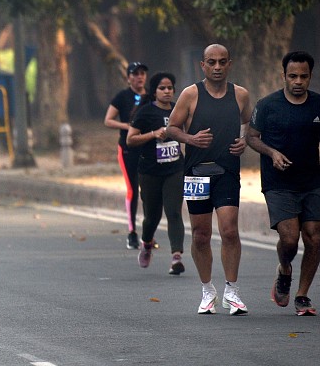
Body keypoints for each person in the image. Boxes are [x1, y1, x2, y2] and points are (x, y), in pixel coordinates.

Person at [247, 51, 320, 316]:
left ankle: (302, 295)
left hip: (311, 180)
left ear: (310, 76)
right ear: (283, 76)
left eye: (303, 76)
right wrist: (272, 153)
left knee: (313, 236)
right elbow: (251, 137)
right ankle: (284, 270)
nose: (298, 81)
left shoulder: (319, 104)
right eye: (293, 76)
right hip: (278, 182)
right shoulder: (267, 105)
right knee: (289, 239)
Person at [166, 44, 252, 315]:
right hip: (196, 172)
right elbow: (171, 128)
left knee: (229, 230)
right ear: (202, 65)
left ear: (229, 64)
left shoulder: (240, 95)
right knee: (201, 235)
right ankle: (207, 290)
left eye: (222, 62)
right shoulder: (191, 94)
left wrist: (244, 141)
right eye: (211, 62)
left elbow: (250, 125)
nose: (217, 67)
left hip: (227, 171)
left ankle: (232, 290)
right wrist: (190, 139)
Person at [126, 72, 185, 275]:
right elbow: (130, 139)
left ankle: (176, 257)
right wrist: (153, 134)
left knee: (174, 212)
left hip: (175, 169)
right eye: (162, 88)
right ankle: (147, 243)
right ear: (154, 91)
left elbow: (188, 132)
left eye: (170, 88)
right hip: (150, 171)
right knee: (152, 216)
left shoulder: (179, 110)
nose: (167, 91)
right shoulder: (145, 112)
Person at [104, 62, 149, 249]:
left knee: (149, 191)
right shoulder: (122, 97)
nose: (139, 77)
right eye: (135, 74)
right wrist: (128, 127)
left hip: (147, 148)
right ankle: (132, 232)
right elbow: (108, 120)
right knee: (132, 188)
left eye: (142, 74)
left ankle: (149, 234)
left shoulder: (151, 97)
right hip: (128, 149)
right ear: (128, 77)